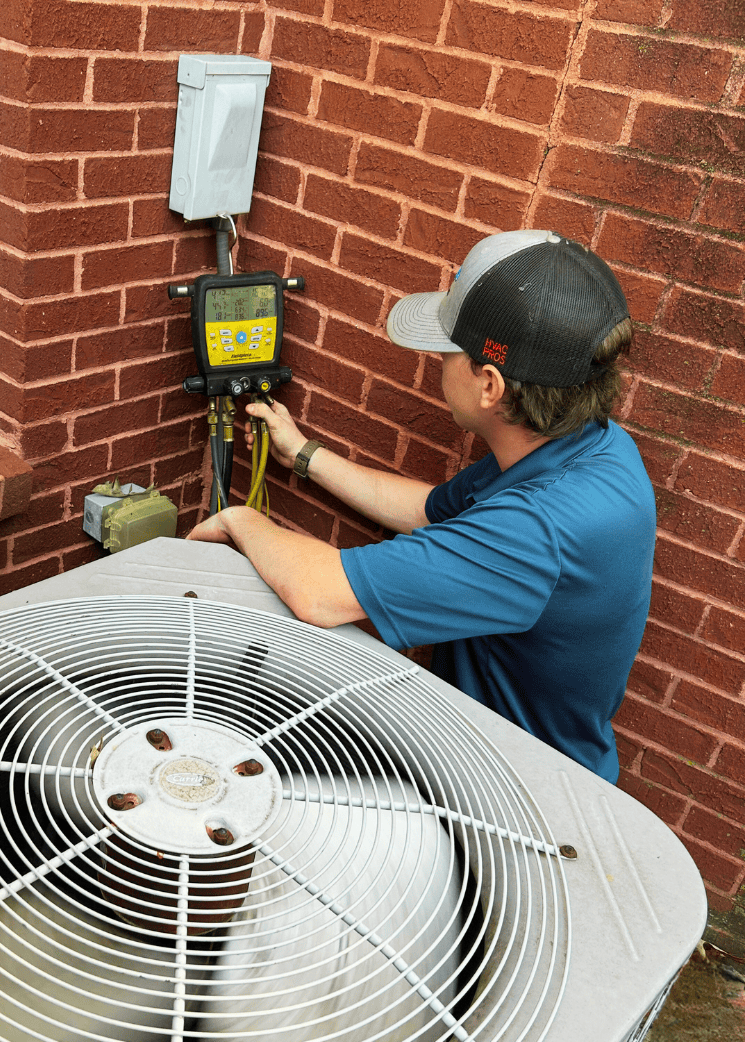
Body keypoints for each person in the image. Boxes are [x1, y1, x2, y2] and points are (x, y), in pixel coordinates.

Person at [187, 229, 656, 784]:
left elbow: (321, 595)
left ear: (490, 385)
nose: (437, 359)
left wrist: (242, 520)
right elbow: (434, 509)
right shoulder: (590, 446)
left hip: (519, 791)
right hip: (506, 754)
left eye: (448, 349)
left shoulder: (538, 527)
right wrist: (303, 454)